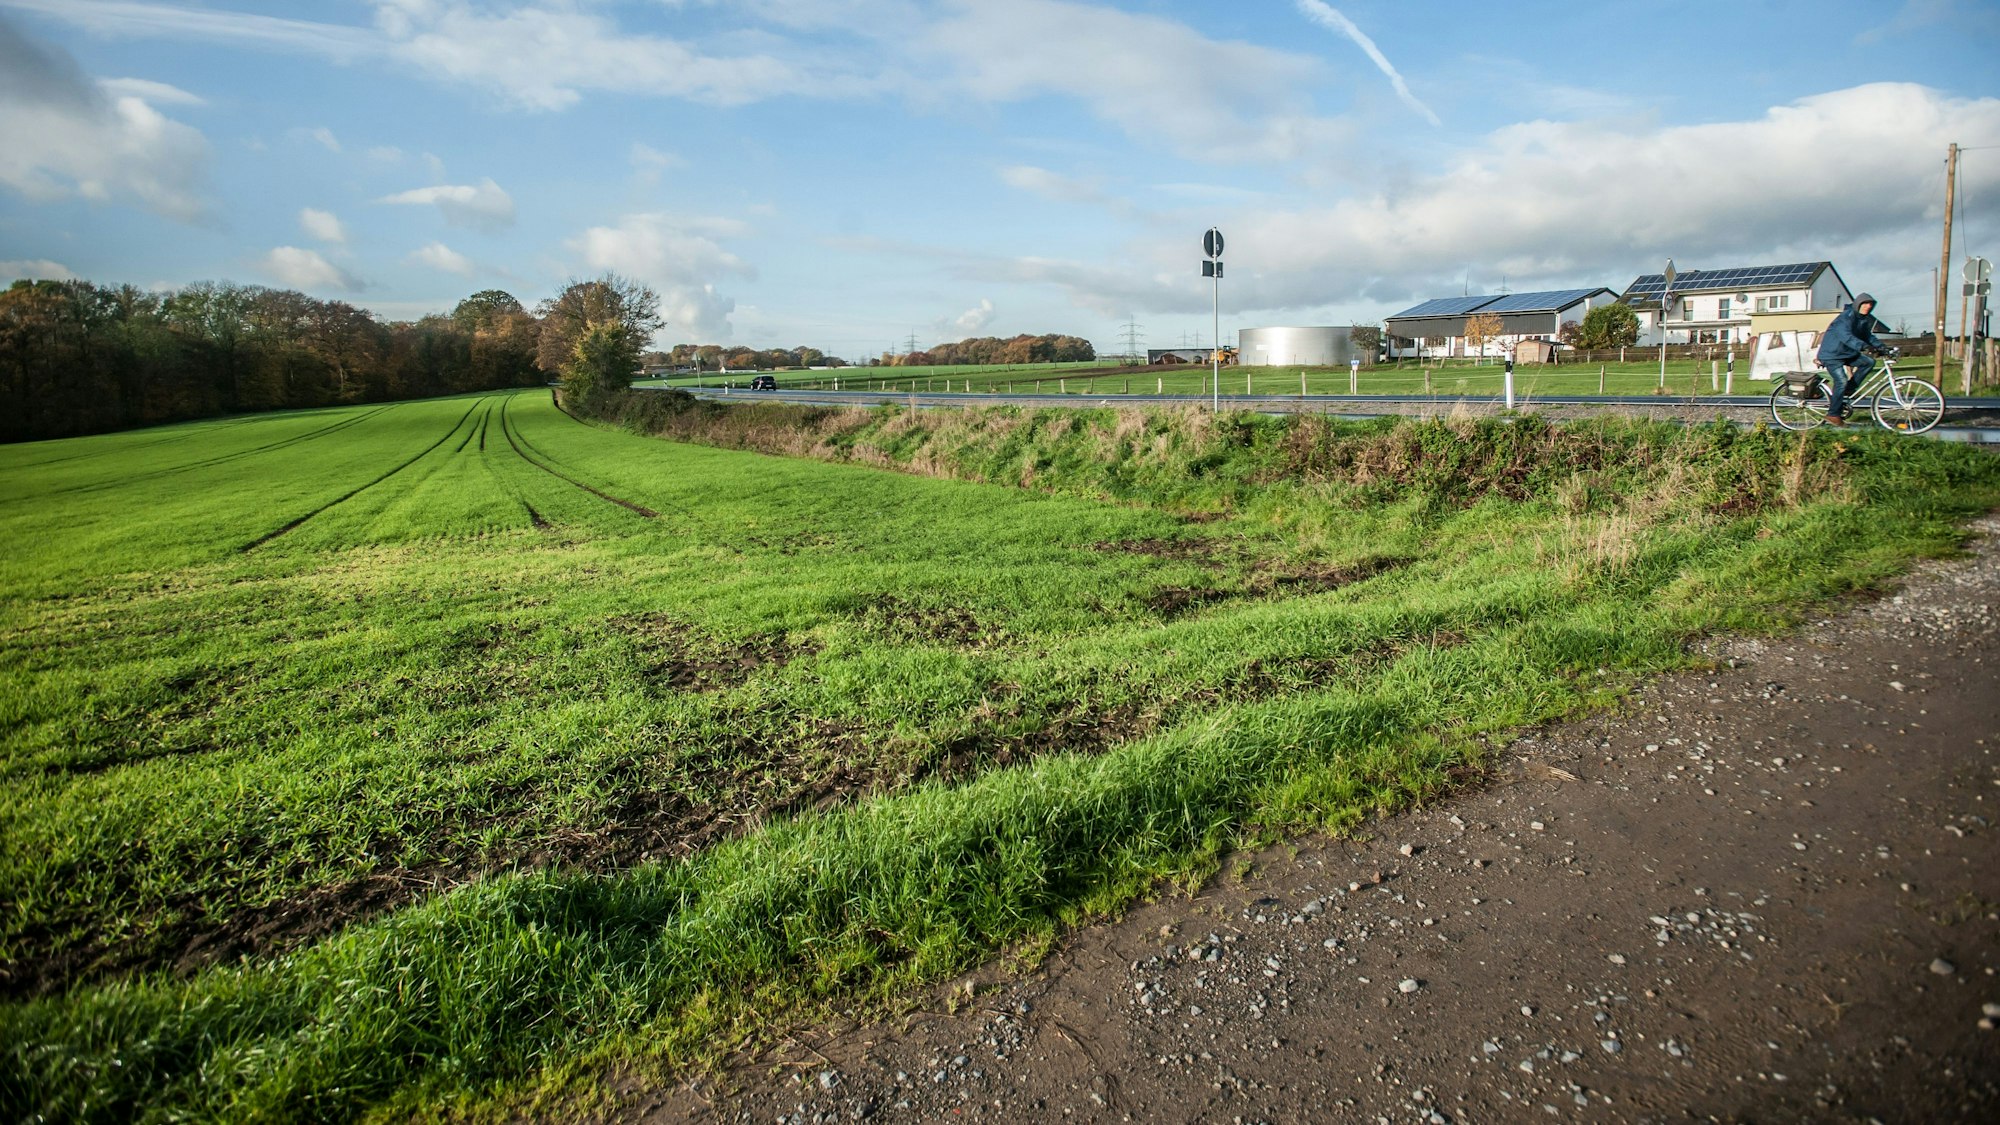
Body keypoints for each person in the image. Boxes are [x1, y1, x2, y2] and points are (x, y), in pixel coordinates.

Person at [1814, 293, 1896, 425]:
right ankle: (1833, 414)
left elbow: (1868, 337)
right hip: (1832, 355)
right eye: (1865, 304)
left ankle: (1849, 389)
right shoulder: (1845, 317)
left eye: (1870, 305)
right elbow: (1846, 336)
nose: (1868, 307)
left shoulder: (1863, 320)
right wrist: (1864, 347)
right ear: (1858, 304)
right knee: (1841, 380)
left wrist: (1882, 348)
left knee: (1868, 362)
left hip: (1847, 354)